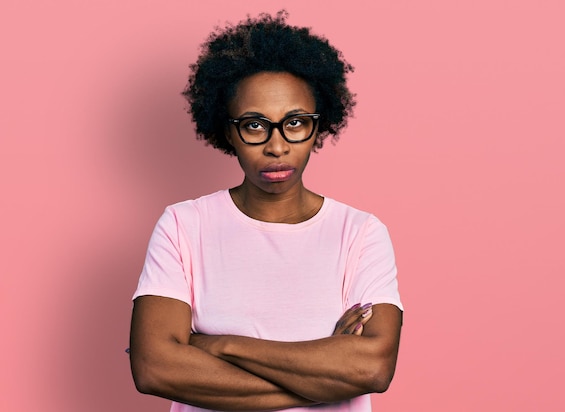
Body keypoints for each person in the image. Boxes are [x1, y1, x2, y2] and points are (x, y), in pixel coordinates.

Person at [129, 10, 403, 412]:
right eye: (255, 125)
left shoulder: (360, 233)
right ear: (228, 131)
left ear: (318, 127)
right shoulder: (184, 226)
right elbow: (155, 368)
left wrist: (218, 344)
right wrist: (325, 376)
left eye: (295, 122)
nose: (277, 146)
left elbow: (373, 369)